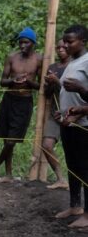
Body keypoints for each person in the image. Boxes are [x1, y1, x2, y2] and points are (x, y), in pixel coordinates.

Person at [0, 27, 42, 181]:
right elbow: (2, 81)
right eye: (20, 43)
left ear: (33, 43)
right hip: (9, 99)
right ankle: (8, 174)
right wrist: (13, 81)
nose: (22, 46)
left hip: (24, 100)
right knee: (6, 138)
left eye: (26, 43)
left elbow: (40, 85)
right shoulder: (12, 57)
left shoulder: (39, 59)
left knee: (11, 140)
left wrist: (28, 81)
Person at [55, 25, 88, 229]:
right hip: (68, 122)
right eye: (64, 41)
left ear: (83, 41)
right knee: (73, 166)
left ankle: (87, 214)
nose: (65, 45)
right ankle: (74, 205)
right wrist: (65, 111)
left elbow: (82, 92)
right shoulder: (73, 62)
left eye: (70, 41)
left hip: (84, 125)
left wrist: (81, 89)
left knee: (86, 169)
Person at [42, 39, 70, 189]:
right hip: (55, 112)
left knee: (74, 150)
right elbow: (47, 94)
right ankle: (61, 179)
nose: (60, 49)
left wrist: (57, 81)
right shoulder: (52, 67)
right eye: (57, 47)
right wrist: (49, 83)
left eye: (63, 47)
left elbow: (73, 91)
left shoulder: (75, 66)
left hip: (73, 114)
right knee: (46, 145)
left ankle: (76, 183)